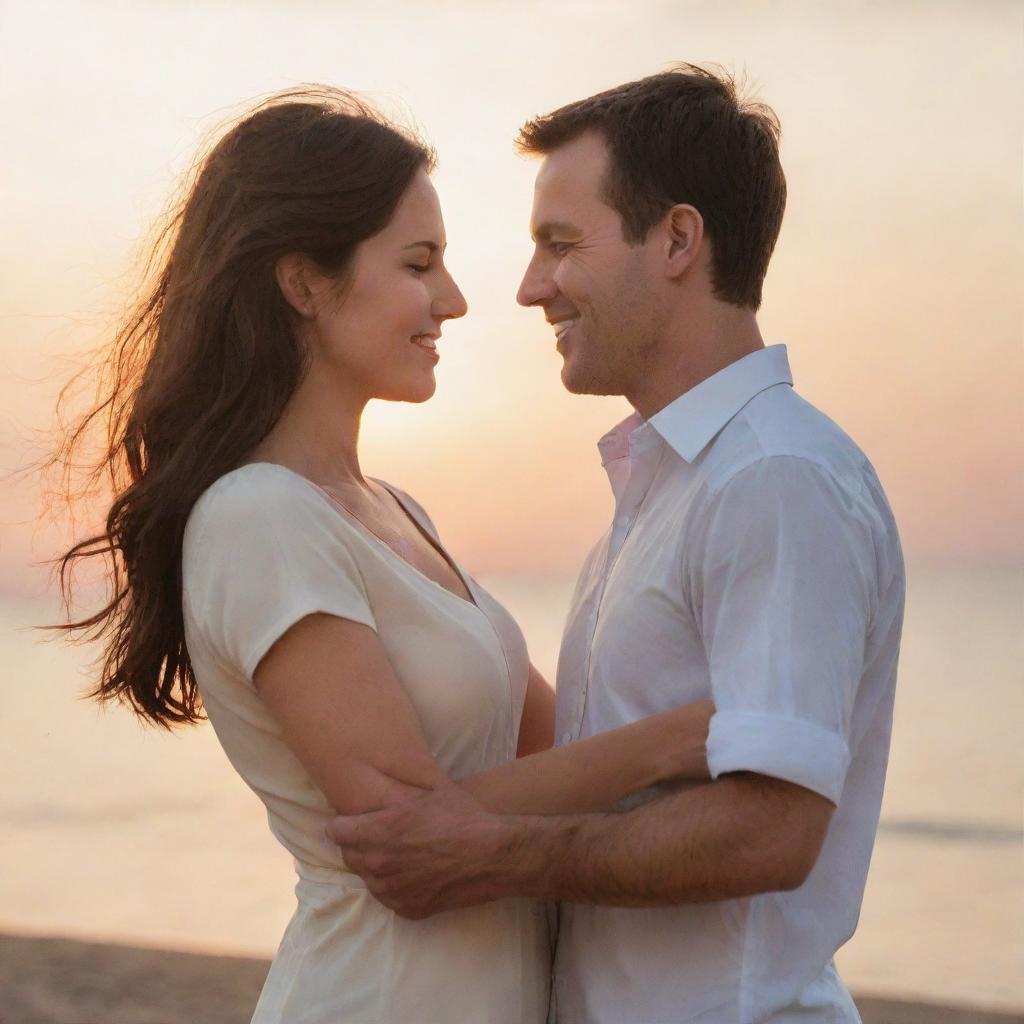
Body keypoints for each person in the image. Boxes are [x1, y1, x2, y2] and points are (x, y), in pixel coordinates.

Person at [50, 86, 717, 1023]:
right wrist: (684, 733)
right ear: (305, 284)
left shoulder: (396, 511)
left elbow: (562, 749)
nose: (453, 299)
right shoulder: (258, 519)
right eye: (419, 264)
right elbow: (413, 845)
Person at [327, 66, 906, 1023]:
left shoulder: (774, 478)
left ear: (677, 239)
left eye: (560, 245)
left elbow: (772, 829)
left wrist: (483, 856)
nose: (527, 288)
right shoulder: (667, 489)